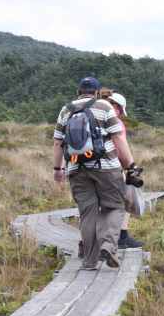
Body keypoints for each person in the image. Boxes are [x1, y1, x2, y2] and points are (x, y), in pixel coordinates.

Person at [53, 77, 140, 270]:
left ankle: (89, 261)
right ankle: (108, 246)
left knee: (87, 213)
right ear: (97, 92)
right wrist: (130, 165)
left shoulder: (66, 110)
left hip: (76, 168)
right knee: (116, 206)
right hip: (106, 167)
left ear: (79, 91)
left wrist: (58, 169)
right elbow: (118, 137)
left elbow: (58, 142)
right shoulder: (104, 106)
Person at [106, 91, 144, 250]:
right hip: (112, 167)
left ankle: (92, 241)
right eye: (120, 110)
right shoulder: (115, 122)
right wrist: (130, 167)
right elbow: (120, 146)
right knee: (124, 200)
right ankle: (121, 237)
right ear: (115, 106)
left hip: (84, 167)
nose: (121, 114)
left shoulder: (91, 116)